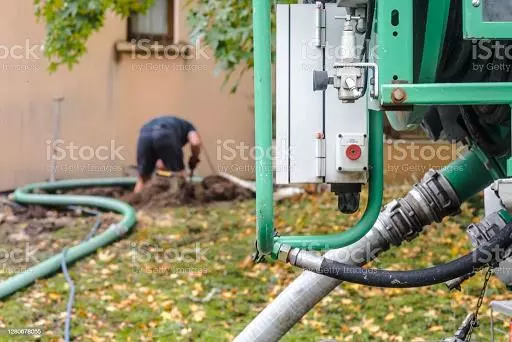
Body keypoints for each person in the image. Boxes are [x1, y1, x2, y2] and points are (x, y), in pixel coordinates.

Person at [134, 115, 201, 193]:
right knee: (179, 176)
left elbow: (160, 162)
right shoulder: (190, 127)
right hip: (166, 133)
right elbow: (195, 143)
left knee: (143, 178)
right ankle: (181, 202)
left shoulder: (175, 123)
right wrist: (194, 157)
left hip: (144, 134)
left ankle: (134, 203)